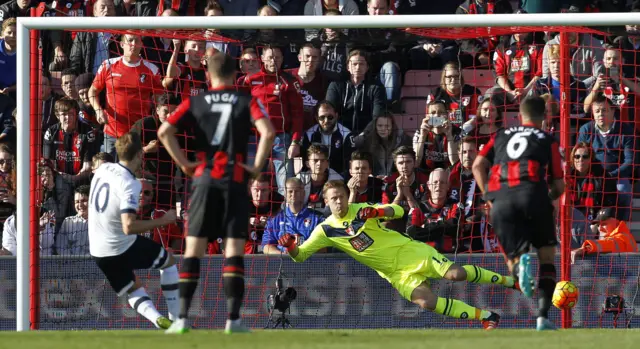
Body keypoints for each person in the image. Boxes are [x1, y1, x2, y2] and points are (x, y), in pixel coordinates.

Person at [279, 180, 519, 330]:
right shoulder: (325, 230)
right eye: (333, 199)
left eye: (341, 196)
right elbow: (300, 256)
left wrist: (375, 212)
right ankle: (488, 316)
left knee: (455, 274)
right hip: (394, 273)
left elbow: (398, 211)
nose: (339, 202)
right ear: (327, 201)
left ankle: (510, 281)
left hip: (410, 252)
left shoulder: (361, 210)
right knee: (427, 302)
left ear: (346, 196)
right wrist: (290, 246)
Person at [158, 52, 276, 334]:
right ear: (235, 75)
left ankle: (182, 320)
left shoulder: (195, 101)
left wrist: (186, 164)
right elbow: (268, 132)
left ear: (208, 75)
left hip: (204, 181)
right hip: (234, 181)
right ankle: (233, 321)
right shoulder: (246, 101)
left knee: (193, 251)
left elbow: (164, 132)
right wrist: (256, 167)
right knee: (234, 251)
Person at [472, 96, 564, 331]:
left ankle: (518, 265)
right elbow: (559, 184)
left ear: (520, 116)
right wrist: (548, 198)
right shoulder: (547, 139)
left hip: (502, 199)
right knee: (546, 259)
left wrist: (489, 197)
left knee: (512, 257)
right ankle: (543, 317)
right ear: (544, 117)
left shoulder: (501, 134)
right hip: (533, 194)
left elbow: (477, 165)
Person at [88, 132, 179, 330]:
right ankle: (177, 321)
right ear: (140, 154)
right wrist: (163, 220)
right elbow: (128, 226)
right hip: (120, 245)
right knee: (169, 263)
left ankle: (158, 320)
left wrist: (140, 150)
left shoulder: (103, 168)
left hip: (97, 250)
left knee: (133, 287)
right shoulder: (130, 184)